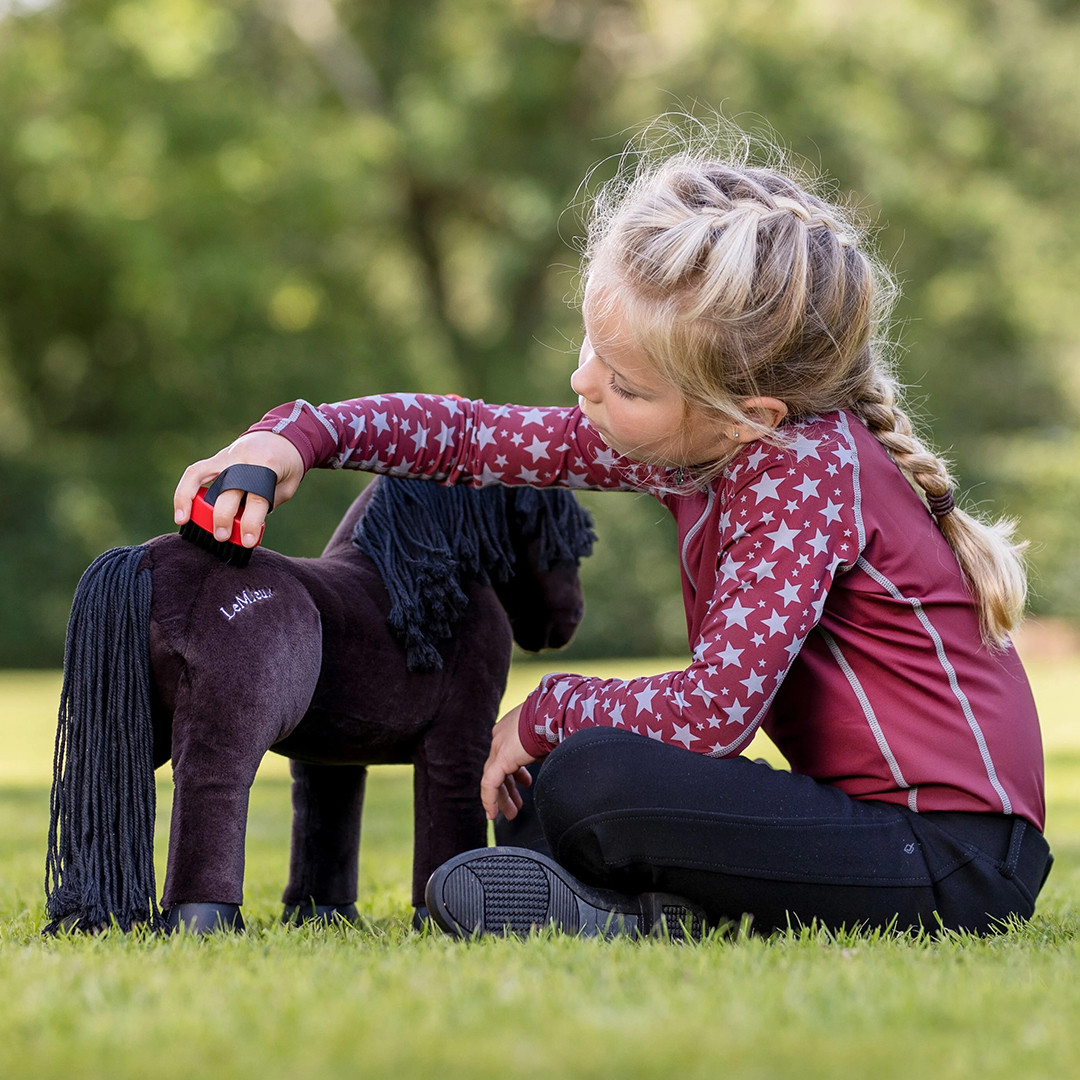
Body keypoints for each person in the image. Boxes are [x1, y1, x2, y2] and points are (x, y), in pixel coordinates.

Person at [174, 122, 1051, 937]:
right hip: (873, 832)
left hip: (958, 860)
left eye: (626, 385)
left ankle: (633, 904)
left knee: (594, 773)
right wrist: (297, 436)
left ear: (751, 412)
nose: (582, 382)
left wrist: (548, 709)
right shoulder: (705, 443)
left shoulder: (802, 470)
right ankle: (627, 906)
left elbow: (713, 715)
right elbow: (476, 438)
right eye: (592, 348)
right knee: (550, 785)